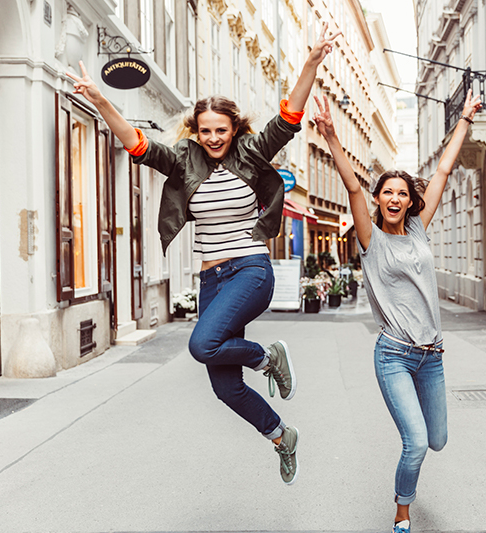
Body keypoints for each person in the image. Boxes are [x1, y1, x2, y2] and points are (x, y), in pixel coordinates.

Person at [67, 23, 341, 486]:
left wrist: (312, 61)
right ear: (195, 130)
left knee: (201, 346)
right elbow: (135, 141)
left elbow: (289, 116)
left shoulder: (252, 153)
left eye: (222, 130)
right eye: (206, 131)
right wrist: (99, 100)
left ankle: (267, 357)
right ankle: (280, 434)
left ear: (235, 130)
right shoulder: (181, 159)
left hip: (251, 270)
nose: (214, 138)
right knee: (224, 385)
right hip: (212, 280)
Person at [313, 90, 482, 532]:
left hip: (433, 358)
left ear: (410, 201)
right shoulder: (371, 240)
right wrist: (331, 136)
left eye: (401, 193)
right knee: (417, 443)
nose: (393, 198)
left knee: (438, 440)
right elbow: (352, 186)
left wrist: (463, 119)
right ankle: (402, 514)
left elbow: (443, 169)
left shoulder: (420, 232)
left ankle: (408, 490)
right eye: (386, 192)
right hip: (393, 355)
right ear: (380, 199)